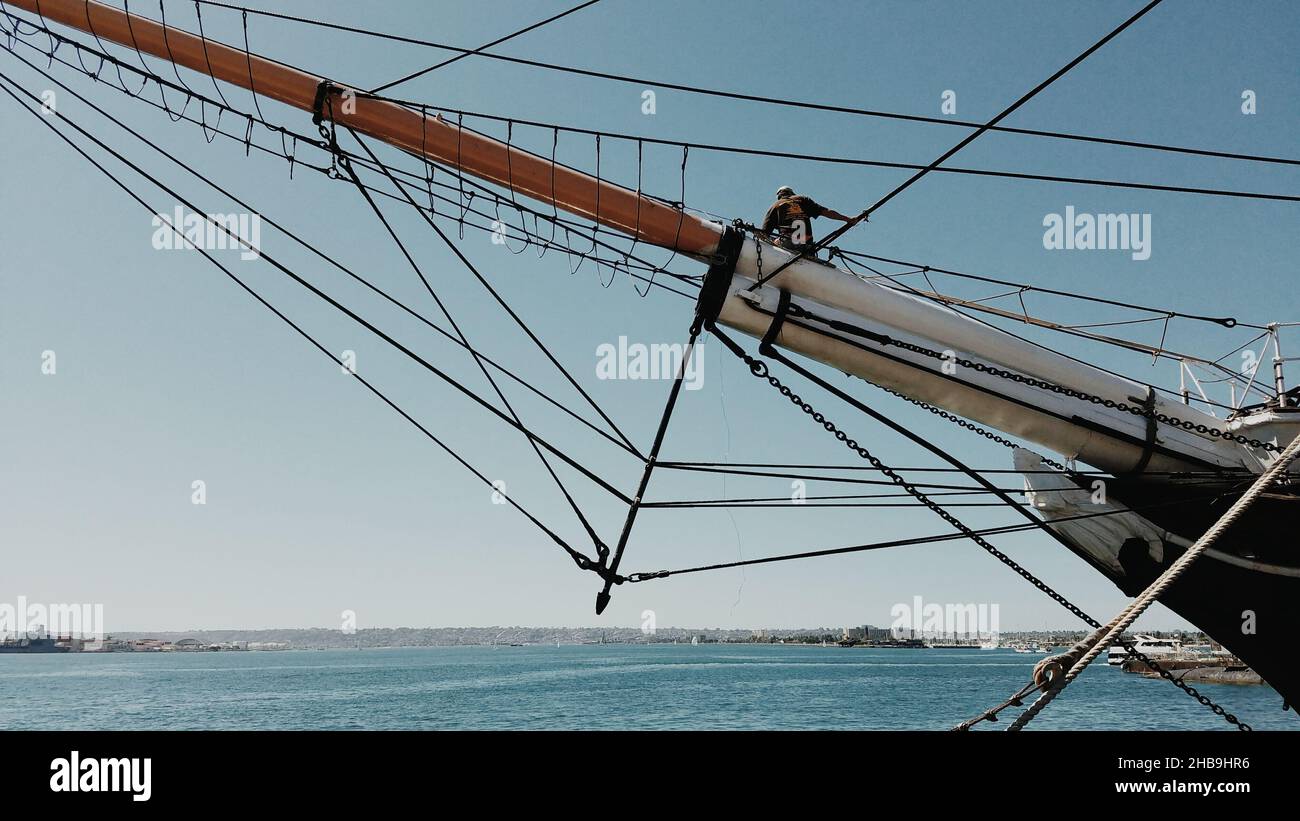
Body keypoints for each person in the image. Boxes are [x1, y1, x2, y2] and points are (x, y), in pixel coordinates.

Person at [760, 186, 857, 250]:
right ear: (792, 193)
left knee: (772, 239)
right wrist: (848, 219)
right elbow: (827, 212)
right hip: (806, 244)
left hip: (788, 243)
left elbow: (764, 235)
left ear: (779, 196)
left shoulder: (775, 206)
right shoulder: (803, 200)